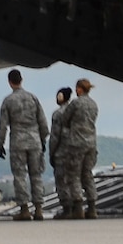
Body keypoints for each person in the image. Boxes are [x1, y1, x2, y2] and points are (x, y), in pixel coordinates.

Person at [0, 68, 49, 221]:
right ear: (21, 80)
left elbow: (3, 124)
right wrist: (43, 139)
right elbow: (43, 122)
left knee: (19, 176)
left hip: (18, 141)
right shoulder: (33, 98)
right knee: (36, 175)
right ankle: (38, 209)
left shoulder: (8, 101)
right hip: (35, 140)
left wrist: (1, 143)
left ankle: (24, 209)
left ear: (10, 82)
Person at [56, 78, 100, 218]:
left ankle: (78, 208)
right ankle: (92, 208)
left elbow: (65, 120)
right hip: (91, 143)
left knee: (74, 175)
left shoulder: (75, 103)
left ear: (80, 89)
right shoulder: (94, 104)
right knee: (87, 175)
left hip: (76, 143)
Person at [49, 87, 81, 219]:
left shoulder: (58, 114)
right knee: (74, 179)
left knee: (61, 181)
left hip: (62, 152)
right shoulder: (76, 111)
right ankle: (77, 207)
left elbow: (55, 136)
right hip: (76, 150)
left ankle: (67, 209)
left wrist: (52, 152)